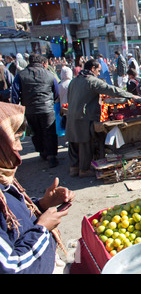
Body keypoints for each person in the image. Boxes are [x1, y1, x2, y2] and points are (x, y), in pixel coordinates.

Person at [0, 102, 75, 274]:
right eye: (16, 139)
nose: (19, 148)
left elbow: (12, 222)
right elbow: (10, 269)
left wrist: (41, 205)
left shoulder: (4, 182)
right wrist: (42, 229)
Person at [65, 59, 140, 178]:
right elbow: (111, 89)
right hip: (84, 117)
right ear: (92, 69)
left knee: (73, 141)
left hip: (72, 115)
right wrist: (131, 96)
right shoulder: (91, 81)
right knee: (85, 143)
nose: (99, 73)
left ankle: (74, 168)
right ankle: (83, 170)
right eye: (98, 71)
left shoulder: (74, 81)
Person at [11, 54, 60, 168]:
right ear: (42, 63)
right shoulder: (49, 74)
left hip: (30, 109)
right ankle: (52, 157)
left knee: (36, 131)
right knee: (49, 132)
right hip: (47, 108)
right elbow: (56, 92)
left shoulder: (21, 75)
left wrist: (17, 108)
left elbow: (14, 94)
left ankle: (42, 152)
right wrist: (51, 101)